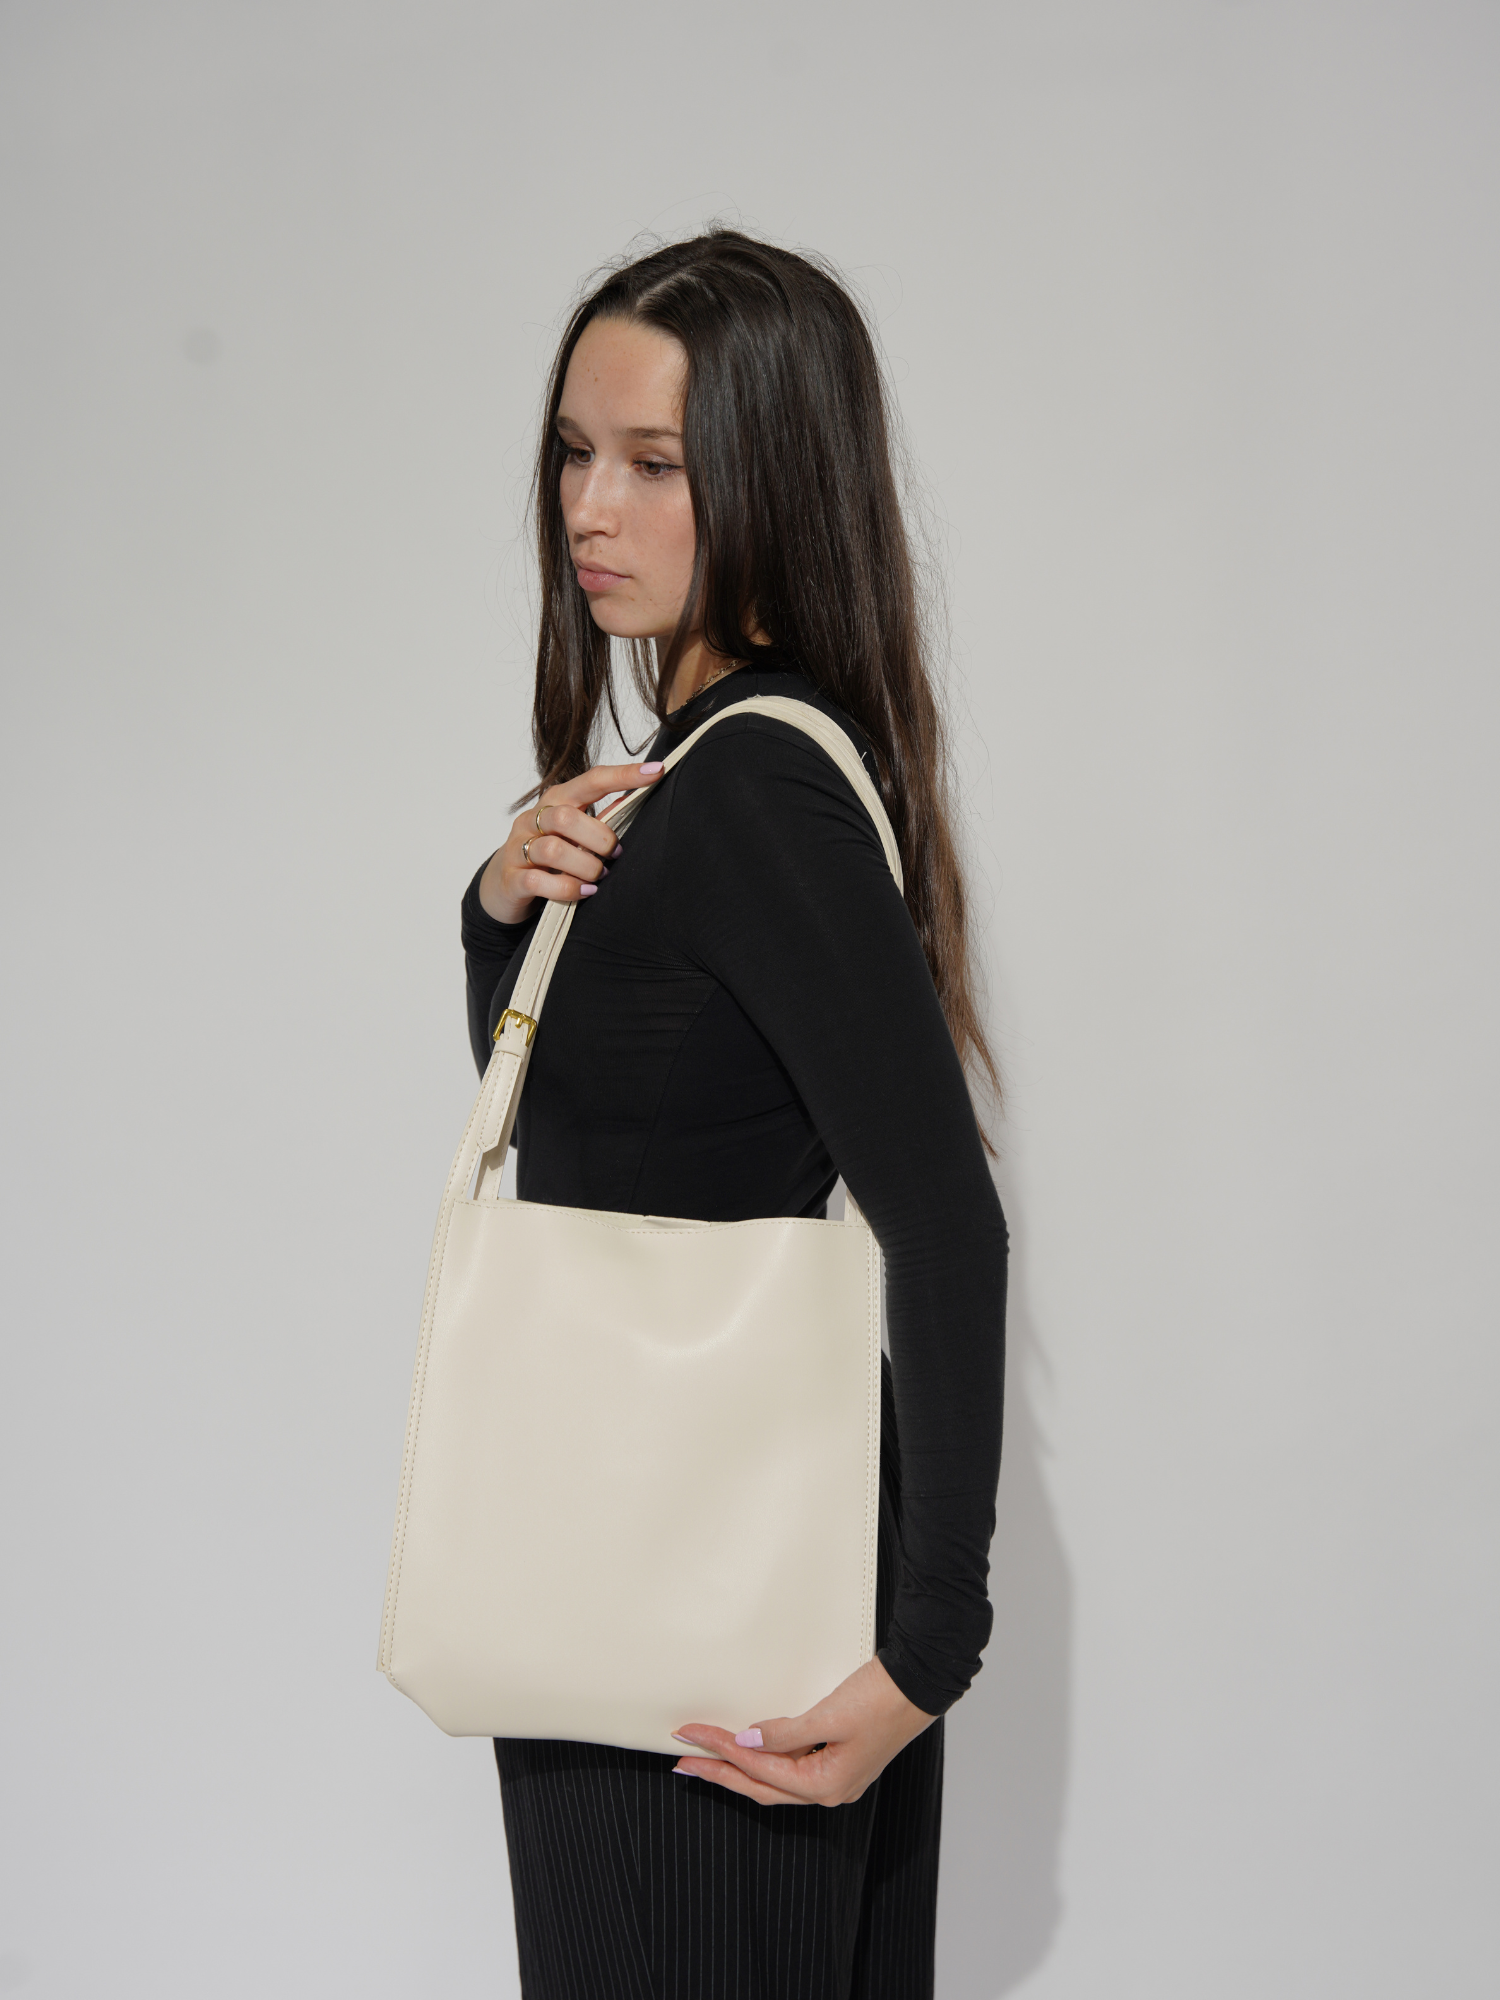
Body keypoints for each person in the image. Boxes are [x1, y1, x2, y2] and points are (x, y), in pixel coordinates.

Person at [461, 228, 1008, 2000]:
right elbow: (601, 1141)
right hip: (667, 1566)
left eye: (652, 463)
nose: (587, 507)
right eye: (573, 451)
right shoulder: (695, 777)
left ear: (772, 477)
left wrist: (928, 1651)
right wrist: (500, 910)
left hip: (700, 1597)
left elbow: (943, 1219)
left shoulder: (755, 783)